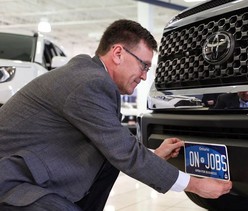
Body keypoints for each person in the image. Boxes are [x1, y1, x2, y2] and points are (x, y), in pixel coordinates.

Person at [0, 19, 232, 211]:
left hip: (32, 176)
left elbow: (115, 145)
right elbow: (125, 152)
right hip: (11, 185)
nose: (144, 76)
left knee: (108, 161)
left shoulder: (87, 76)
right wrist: (195, 185)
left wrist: (153, 155)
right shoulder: (88, 83)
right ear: (118, 53)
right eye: (144, 66)